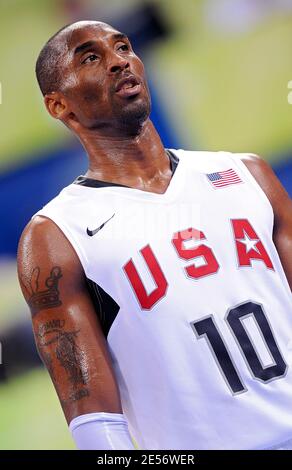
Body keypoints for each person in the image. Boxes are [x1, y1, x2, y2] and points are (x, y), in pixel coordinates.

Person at [17, 20, 292, 450]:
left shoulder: (246, 173)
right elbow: (92, 413)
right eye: (90, 57)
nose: (117, 62)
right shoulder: (57, 235)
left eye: (123, 47)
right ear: (58, 106)